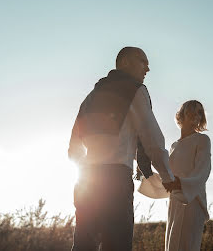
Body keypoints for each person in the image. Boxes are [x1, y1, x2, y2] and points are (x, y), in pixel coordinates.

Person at [68, 46, 176, 251]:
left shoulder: (91, 96)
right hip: (116, 179)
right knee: (116, 245)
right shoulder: (134, 90)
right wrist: (168, 177)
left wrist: (85, 169)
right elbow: (152, 138)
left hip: (87, 180)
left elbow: (74, 146)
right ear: (125, 62)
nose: (148, 69)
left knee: (83, 245)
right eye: (143, 61)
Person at [165, 100, 211, 251]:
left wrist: (182, 184)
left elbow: (203, 170)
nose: (195, 114)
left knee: (187, 246)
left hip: (193, 200)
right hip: (174, 202)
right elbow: (167, 173)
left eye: (199, 112)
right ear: (181, 115)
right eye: (191, 109)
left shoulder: (202, 140)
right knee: (172, 245)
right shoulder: (174, 146)